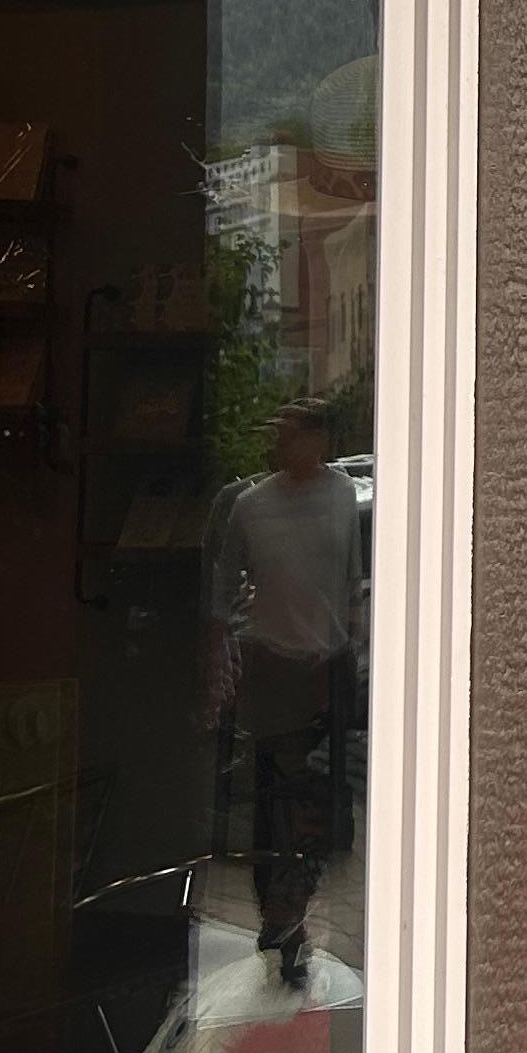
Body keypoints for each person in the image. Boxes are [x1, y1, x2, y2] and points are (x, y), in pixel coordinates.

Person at [211, 402, 364, 974]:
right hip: (273, 667)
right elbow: (224, 588)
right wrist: (219, 664)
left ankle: (291, 917)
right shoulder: (251, 507)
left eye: (300, 435)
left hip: (327, 665)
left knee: (318, 803)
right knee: (277, 796)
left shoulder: (342, 496)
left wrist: (349, 647)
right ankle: (278, 915)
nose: (291, 446)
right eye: (283, 437)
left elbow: (351, 579)